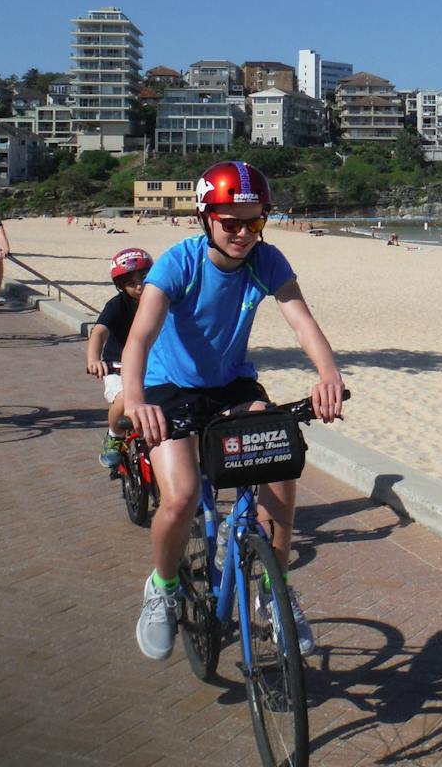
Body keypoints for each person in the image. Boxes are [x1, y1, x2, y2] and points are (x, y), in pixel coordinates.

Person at [119, 161, 345, 661]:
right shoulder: (179, 263)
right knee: (178, 499)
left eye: (254, 221)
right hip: (169, 388)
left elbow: (301, 322)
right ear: (206, 219)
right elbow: (140, 336)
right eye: (231, 222)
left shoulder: (267, 261)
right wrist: (135, 399)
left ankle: (275, 591)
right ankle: (162, 586)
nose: (244, 233)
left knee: (281, 459)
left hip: (231, 386)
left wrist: (328, 374)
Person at [87, 247, 153, 468]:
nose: (139, 285)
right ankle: (114, 436)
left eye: (143, 277)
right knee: (125, 397)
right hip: (118, 364)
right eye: (130, 282)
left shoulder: (161, 300)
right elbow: (99, 331)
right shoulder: (117, 305)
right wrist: (94, 359)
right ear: (121, 286)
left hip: (152, 363)